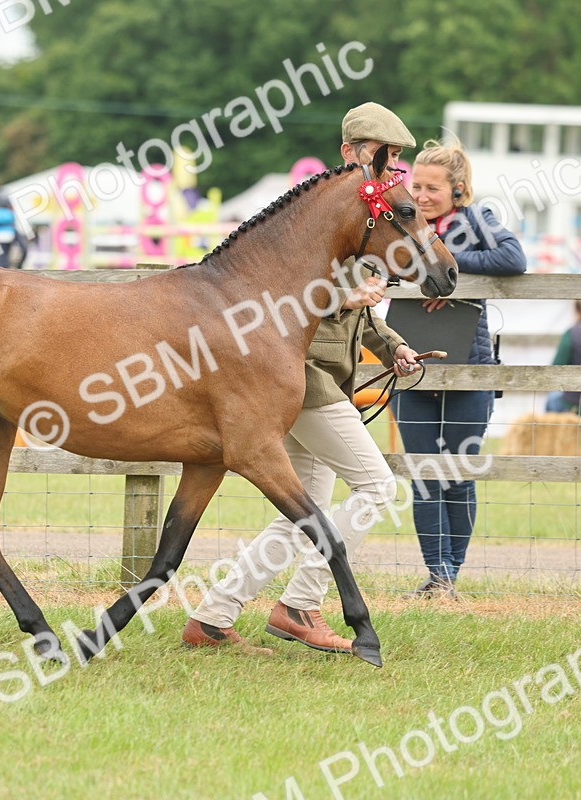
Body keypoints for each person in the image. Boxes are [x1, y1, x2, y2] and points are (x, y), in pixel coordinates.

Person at [182, 102, 422, 655]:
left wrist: (392, 348)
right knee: (376, 486)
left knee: (301, 511)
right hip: (302, 378)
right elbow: (277, 297)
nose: (390, 165)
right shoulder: (314, 217)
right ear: (350, 152)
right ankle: (301, 605)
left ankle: (214, 616)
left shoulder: (362, 216)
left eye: (396, 157)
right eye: (381, 153)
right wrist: (342, 293)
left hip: (320, 381)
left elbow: (360, 312)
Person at [390, 137, 527, 597]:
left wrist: (443, 261)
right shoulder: (399, 223)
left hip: (470, 366)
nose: (422, 196)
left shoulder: (475, 221)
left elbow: (512, 258)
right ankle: (437, 575)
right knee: (426, 472)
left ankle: (451, 572)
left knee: (457, 471)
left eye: (432, 188)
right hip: (411, 364)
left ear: (457, 189)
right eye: (417, 186)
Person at [546, 300, 581, 414]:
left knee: (552, 398)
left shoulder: (572, 334)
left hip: (573, 404)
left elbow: (554, 370)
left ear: (576, 311)